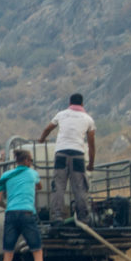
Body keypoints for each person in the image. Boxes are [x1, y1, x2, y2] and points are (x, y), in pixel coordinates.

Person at [38, 92, 96, 224]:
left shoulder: (61, 114)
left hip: (61, 154)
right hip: (77, 155)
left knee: (59, 186)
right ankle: (84, 217)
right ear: (82, 104)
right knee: (80, 187)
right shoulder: (88, 119)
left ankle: (57, 215)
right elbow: (92, 145)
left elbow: (47, 129)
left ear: (69, 103)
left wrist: (41, 140)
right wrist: (91, 164)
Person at [0, 149, 45, 261]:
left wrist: (8, 206)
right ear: (28, 161)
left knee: (8, 254)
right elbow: (40, 186)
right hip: (27, 214)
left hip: (10, 214)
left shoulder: (6, 176)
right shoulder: (33, 174)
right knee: (37, 252)